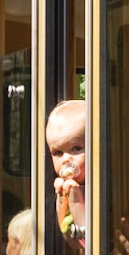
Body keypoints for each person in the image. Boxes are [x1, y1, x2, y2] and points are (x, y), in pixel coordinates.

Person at [44, 98, 86, 240]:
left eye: (76, 148)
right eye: (58, 153)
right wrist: (62, 200)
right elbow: (67, 233)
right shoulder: (67, 186)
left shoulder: (107, 189)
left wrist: (75, 203)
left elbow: (89, 239)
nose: (66, 159)